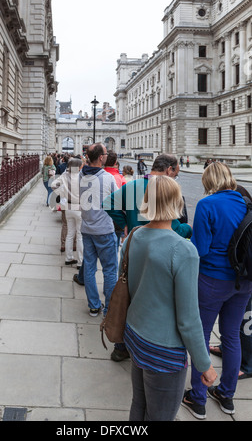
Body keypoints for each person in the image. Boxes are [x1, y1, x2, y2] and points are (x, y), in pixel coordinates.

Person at [122, 175, 217, 421]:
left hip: (135, 335)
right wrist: (204, 364)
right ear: (177, 202)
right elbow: (188, 318)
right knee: (161, 415)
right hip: (163, 350)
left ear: (147, 201)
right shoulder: (183, 250)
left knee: (139, 404)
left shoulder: (133, 236)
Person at [102, 153, 192, 362]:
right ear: (169, 170)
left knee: (127, 294)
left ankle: (121, 346)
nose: (175, 178)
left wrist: (125, 223)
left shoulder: (133, 186)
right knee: (152, 300)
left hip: (134, 248)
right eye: (176, 174)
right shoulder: (166, 190)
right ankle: (145, 346)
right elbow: (175, 227)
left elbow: (108, 203)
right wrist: (188, 229)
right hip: (161, 254)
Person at [183, 162, 252, 419]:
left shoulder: (207, 205)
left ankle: (198, 398)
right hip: (244, 282)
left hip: (212, 280)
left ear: (208, 181)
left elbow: (199, 249)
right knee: (231, 336)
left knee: (200, 336)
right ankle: (226, 395)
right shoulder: (247, 203)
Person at [209, 184, 252, 380]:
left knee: (245, 323)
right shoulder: (246, 208)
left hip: (240, 277)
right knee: (233, 329)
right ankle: (227, 390)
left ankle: (248, 364)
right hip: (243, 277)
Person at [78, 143, 118, 317]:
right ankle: (109, 308)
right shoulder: (108, 178)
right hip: (104, 231)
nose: (106, 155)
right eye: (105, 153)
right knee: (110, 270)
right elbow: (119, 201)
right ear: (101, 157)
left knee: (89, 268)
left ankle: (94, 305)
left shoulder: (80, 175)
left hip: (87, 229)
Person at [51, 157, 83, 268]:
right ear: (78, 166)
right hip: (79, 208)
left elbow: (53, 184)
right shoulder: (82, 177)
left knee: (70, 234)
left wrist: (61, 193)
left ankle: (68, 258)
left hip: (68, 207)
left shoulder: (65, 176)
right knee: (79, 235)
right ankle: (80, 262)